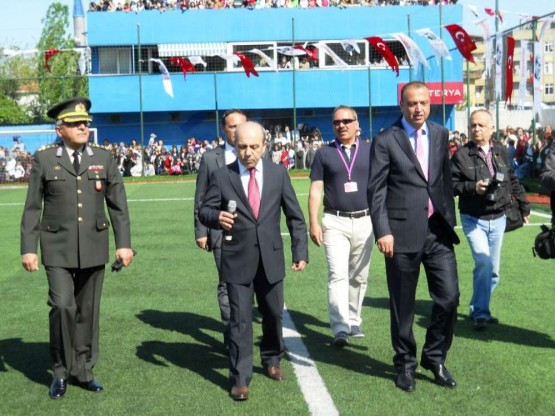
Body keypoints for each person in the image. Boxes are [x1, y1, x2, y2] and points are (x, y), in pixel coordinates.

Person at [20, 97, 134, 399]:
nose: (84, 127)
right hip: (56, 246)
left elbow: (118, 206)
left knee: (88, 310)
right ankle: (59, 370)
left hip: (94, 245)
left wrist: (124, 245)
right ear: (61, 129)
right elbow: (33, 207)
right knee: (62, 306)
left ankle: (83, 370)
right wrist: (28, 248)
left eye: (85, 122)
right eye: (75, 123)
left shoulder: (103, 157)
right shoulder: (44, 159)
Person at [199, 121, 308, 401]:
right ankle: (240, 377)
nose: (248, 152)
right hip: (236, 259)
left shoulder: (278, 174)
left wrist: (300, 251)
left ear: (264, 145)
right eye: (242, 147)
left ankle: (272, 357)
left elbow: (295, 216)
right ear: (235, 146)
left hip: (271, 259)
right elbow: (205, 210)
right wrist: (216, 217)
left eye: (253, 147)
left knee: (272, 314)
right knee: (240, 320)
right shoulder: (223, 176)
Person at [367, 81, 461, 393]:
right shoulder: (386, 139)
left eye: (423, 102)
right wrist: (383, 230)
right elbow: (376, 189)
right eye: (412, 103)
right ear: (402, 106)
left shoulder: (439, 133)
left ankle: (434, 357)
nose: (418, 108)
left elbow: (444, 180)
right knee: (403, 307)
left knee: (449, 298)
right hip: (401, 234)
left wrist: (449, 218)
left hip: (438, 233)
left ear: (430, 103)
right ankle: (405, 363)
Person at [451, 109, 530, 330]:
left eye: (481, 125)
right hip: (473, 218)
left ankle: (477, 306)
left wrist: (524, 205)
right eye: (472, 125)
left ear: (491, 128)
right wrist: (472, 187)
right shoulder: (461, 154)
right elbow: (451, 185)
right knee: (484, 262)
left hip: (499, 218)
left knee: (493, 271)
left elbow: (512, 179)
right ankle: (481, 314)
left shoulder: (502, 151)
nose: (476, 129)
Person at [308, 105, 373, 348]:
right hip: (334, 221)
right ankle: (340, 327)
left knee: (359, 275)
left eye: (347, 120)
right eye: (337, 122)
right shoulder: (323, 153)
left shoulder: (371, 150)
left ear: (357, 124)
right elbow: (315, 190)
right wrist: (314, 222)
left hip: (365, 220)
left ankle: (354, 319)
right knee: (337, 275)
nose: (342, 125)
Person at [193, 109, 247, 349]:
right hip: (220, 232)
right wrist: (201, 230)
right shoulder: (210, 158)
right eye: (232, 126)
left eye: (241, 125)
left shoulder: (257, 154)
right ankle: (232, 337)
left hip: (251, 232)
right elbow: (201, 198)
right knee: (227, 283)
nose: (237, 130)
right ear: (224, 130)